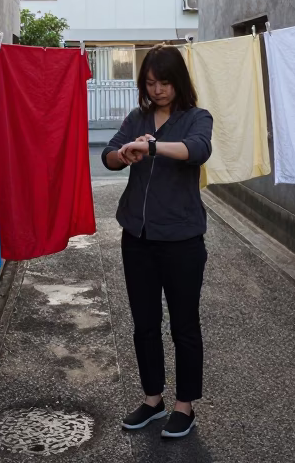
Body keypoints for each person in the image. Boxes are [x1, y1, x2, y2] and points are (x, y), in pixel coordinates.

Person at [102, 44, 214, 441]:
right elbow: (108, 155)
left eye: (164, 82)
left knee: (184, 325)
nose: (157, 90)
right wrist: (124, 155)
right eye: (150, 83)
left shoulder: (196, 117)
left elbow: (197, 150)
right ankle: (153, 400)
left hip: (182, 240)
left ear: (178, 81)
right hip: (137, 237)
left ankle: (185, 406)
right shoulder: (137, 117)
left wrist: (151, 146)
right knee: (145, 324)